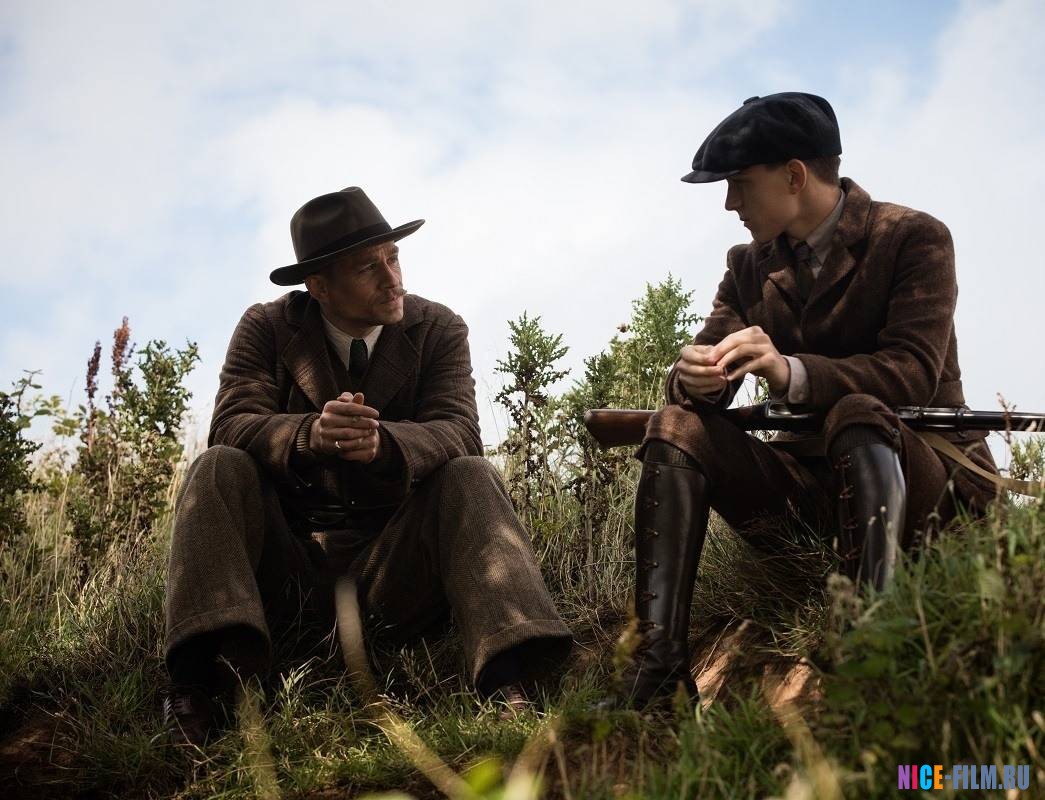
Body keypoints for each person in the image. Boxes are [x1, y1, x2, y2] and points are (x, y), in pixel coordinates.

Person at [615, 92, 998, 709]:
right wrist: (695, 379)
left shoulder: (913, 238)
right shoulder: (747, 266)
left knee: (857, 412)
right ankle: (657, 678)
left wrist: (789, 372)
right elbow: (707, 360)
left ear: (794, 176)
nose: (730, 203)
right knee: (676, 425)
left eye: (740, 183)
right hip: (816, 497)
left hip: (928, 492)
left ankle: (864, 658)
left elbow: (911, 374)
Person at [163, 186, 572, 744]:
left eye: (393, 258)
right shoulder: (267, 326)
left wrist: (386, 445)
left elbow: (459, 431)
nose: (392, 279)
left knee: (472, 473)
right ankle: (201, 684)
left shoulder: (438, 327)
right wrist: (308, 436)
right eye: (367, 268)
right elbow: (232, 423)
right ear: (319, 287)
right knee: (216, 466)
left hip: (395, 573)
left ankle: (511, 677)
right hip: (288, 572)